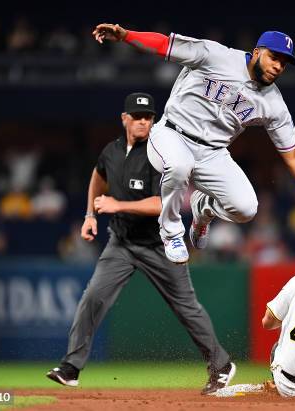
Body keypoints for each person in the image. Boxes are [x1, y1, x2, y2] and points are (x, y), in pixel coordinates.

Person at [92, 24, 295, 263]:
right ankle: (171, 231)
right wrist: (126, 36)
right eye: (274, 58)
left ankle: (203, 208)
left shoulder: (273, 104)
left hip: (212, 153)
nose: (278, 66)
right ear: (257, 52)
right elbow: (163, 45)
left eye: (284, 64)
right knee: (180, 165)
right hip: (171, 133)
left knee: (246, 209)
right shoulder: (215, 55)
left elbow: (294, 155)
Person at [46, 93, 235, 395]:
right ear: (125, 119)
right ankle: (71, 368)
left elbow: (163, 203)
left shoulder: (161, 154)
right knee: (93, 297)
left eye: (148, 116)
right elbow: (98, 175)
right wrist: (89, 214)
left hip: (159, 244)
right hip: (120, 244)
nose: (143, 121)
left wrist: (116, 205)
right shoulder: (112, 151)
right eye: (137, 116)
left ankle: (221, 365)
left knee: (186, 308)